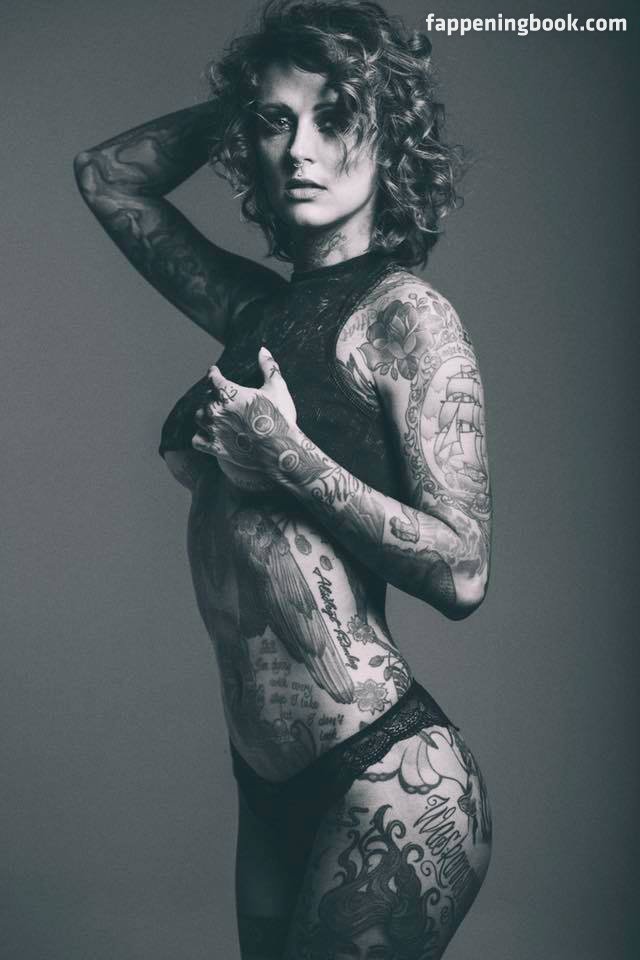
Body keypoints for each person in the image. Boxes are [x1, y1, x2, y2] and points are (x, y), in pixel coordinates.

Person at [74, 1, 493, 956]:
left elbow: (466, 571)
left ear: (390, 134)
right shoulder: (255, 311)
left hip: (390, 781)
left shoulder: (408, 318)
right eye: (277, 124)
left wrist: (290, 459)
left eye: (335, 117)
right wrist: (249, 108)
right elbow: (107, 176)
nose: (301, 149)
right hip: (266, 787)